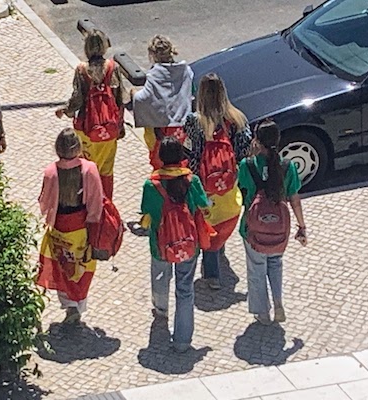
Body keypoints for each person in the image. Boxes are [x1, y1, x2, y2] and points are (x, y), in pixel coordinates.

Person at [140, 136, 209, 352]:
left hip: (160, 243)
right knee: (185, 288)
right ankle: (182, 340)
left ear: (160, 157)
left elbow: (147, 213)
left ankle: (161, 309)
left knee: (160, 275)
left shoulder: (151, 185)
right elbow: (205, 207)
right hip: (189, 243)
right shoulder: (193, 180)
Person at [184, 73, 252, 290]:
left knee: (207, 228)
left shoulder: (195, 122)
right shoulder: (238, 119)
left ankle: (212, 275)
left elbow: (190, 155)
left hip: (205, 188)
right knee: (223, 224)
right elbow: (244, 153)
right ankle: (219, 251)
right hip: (230, 187)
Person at [238, 120, 307, 326]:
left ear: (257, 141)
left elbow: (242, 190)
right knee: (275, 264)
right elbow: (294, 199)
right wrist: (301, 227)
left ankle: (262, 313)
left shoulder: (247, 165)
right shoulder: (288, 166)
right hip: (279, 227)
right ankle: (278, 301)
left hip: (253, 228)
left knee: (256, 269)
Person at [37, 128, 104, 325]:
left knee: (62, 266)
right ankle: (79, 302)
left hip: (59, 226)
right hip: (81, 226)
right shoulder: (89, 169)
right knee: (82, 266)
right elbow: (96, 201)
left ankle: (68, 304)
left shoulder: (51, 172)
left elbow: (44, 202)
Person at [55, 29, 126, 199]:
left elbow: (77, 98)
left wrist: (65, 110)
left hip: (86, 130)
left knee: (86, 167)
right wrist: (120, 126)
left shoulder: (81, 70)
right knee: (106, 171)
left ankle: (87, 202)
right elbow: (120, 99)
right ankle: (106, 205)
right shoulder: (113, 67)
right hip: (109, 129)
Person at [132, 35, 193, 170]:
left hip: (160, 130)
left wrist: (133, 95)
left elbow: (143, 99)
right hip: (181, 127)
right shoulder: (186, 70)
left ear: (152, 55)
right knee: (180, 161)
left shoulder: (154, 74)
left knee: (160, 164)